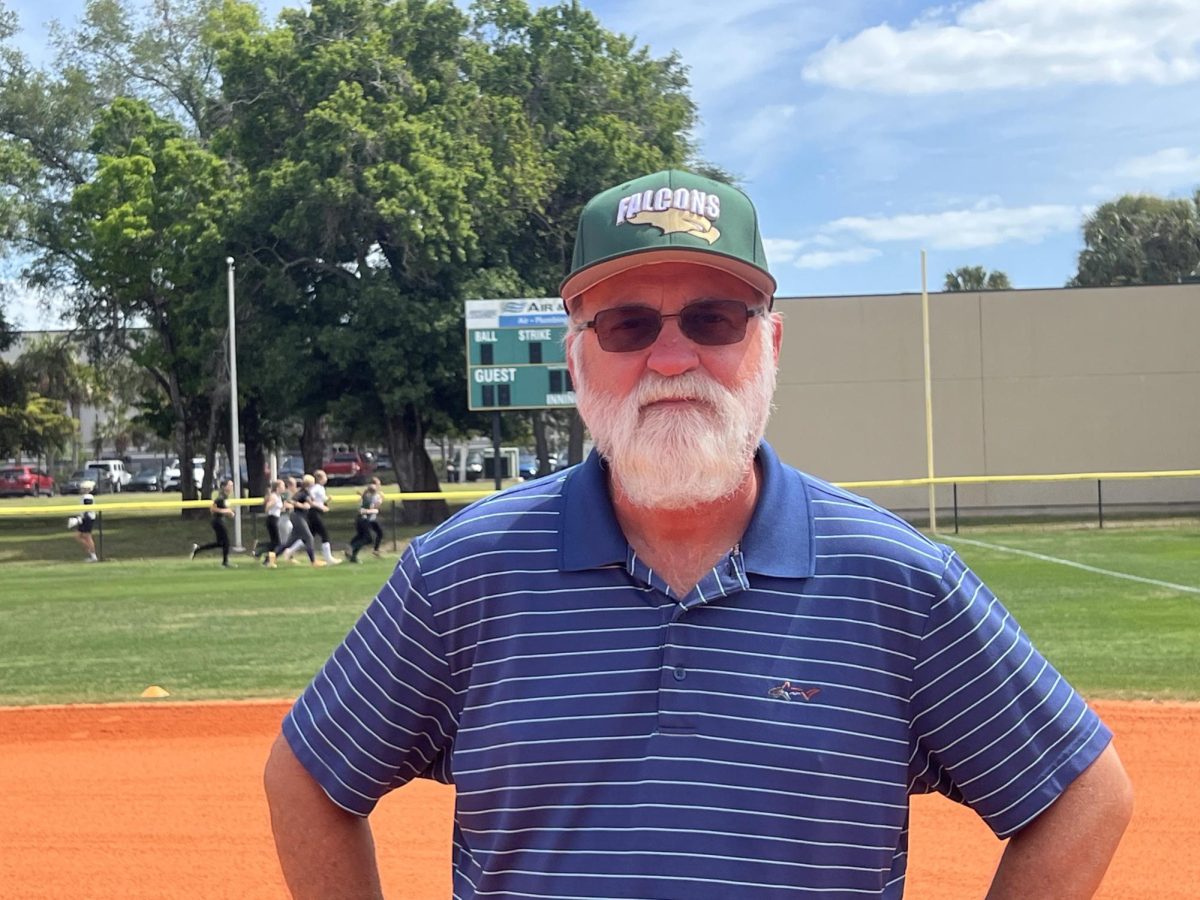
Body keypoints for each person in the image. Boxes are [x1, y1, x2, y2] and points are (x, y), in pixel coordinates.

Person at [265, 170, 1132, 899]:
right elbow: (307, 778)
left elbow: (1084, 796)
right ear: (576, 358)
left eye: (715, 319)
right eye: (628, 324)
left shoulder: (897, 580)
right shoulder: (464, 573)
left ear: (772, 344)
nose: (671, 358)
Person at [190, 478, 235, 568]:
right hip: (217, 522)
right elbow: (212, 509)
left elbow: (223, 510)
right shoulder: (221, 497)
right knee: (226, 542)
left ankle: (198, 549)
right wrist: (226, 511)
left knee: (220, 543)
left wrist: (229, 513)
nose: (231, 487)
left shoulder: (225, 497)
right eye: (230, 485)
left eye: (232, 485)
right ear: (224, 487)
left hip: (220, 521)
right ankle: (225, 562)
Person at [281, 474, 322, 567]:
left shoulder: (306, 492)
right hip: (297, 517)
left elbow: (310, 503)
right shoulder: (303, 492)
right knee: (309, 538)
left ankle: (272, 557)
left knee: (289, 542)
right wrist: (303, 506)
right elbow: (291, 501)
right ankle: (313, 561)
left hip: (300, 517)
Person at [306, 469, 342, 565]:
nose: (326, 478)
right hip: (314, 512)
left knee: (309, 535)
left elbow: (321, 498)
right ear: (320, 478)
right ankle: (328, 558)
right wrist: (321, 506)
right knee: (324, 534)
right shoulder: (316, 487)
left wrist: (327, 499)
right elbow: (310, 496)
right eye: (325, 476)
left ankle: (289, 551)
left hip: (317, 512)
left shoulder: (321, 488)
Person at [345, 478, 383, 563]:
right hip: (364, 520)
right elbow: (371, 509)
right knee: (368, 538)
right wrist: (374, 508)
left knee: (361, 536)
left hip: (361, 519)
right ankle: (351, 548)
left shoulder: (366, 495)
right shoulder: (370, 497)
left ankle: (353, 556)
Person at [69, 481, 98, 562]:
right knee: (78, 536)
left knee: (87, 536)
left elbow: (87, 510)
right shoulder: (85, 497)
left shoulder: (87, 497)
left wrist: (79, 520)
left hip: (87, 519)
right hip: (85, 518)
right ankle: (90, 553)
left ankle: (93, 555)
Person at [259, 479, 285, 568]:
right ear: (278, 488)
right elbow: (267, 508)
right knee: (277, 543)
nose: (284, 488)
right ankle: (261, 551)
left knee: (275, 543)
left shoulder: (279, 496)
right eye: (282, 486)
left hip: (275, 519)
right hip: (272, 520)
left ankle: (267, 560)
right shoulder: (274, 496)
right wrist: (272, 503)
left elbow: (279, 509)